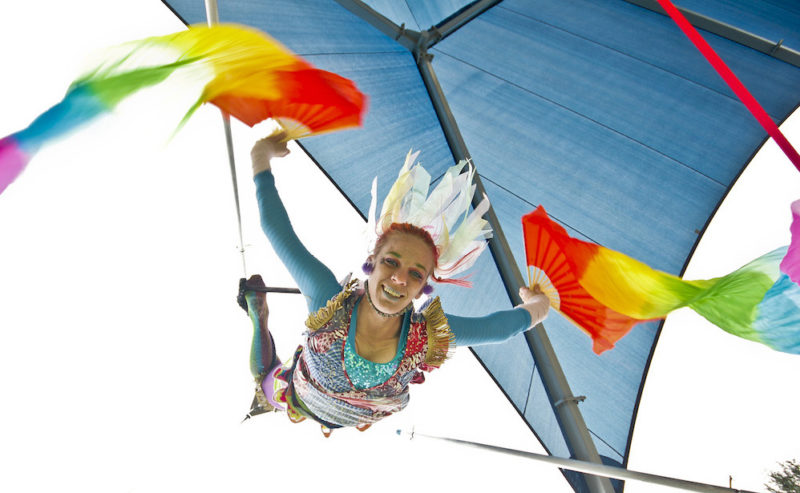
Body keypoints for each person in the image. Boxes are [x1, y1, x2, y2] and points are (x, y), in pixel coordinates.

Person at [240, 130, 550, 436]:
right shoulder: (329, 302)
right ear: (372, 261)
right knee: (266, 381)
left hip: (334, 405)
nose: (400, 278)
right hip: (304, 393)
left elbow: (500, 329)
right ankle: (259, 317)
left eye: (416, 274)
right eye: (391, 262)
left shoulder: (425, 335)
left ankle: (260, 322)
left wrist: (538, 304)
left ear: (424, 286)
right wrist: (260, 156)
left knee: (269, 382)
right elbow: (276, 230)